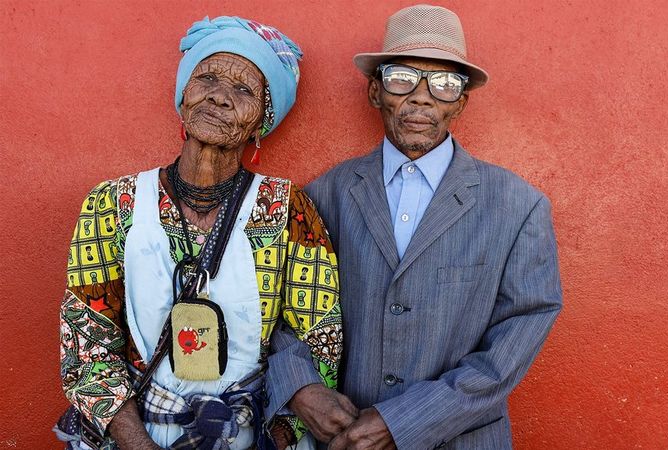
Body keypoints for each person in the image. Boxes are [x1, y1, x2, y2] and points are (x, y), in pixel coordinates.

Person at [56, 16, 354, 450]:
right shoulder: (111, 204)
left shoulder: (288, 208)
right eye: (207, 77)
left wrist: (274, 436)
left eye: (244, 90)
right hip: (136, 432)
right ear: (183, 95)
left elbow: (319, 342)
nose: (219, 95)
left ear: (262, 120)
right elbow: (87, 346)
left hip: (250, 433)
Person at [304, 5, 563, 449]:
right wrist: (302, 389)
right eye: (402, 77)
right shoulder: (324, 196)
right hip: (343, 440)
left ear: (461, 102)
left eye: (444, 84)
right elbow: (284, 312)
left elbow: (516, 336)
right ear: (374, 91)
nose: (421, 97)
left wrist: (404, 420)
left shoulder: (519, 207)